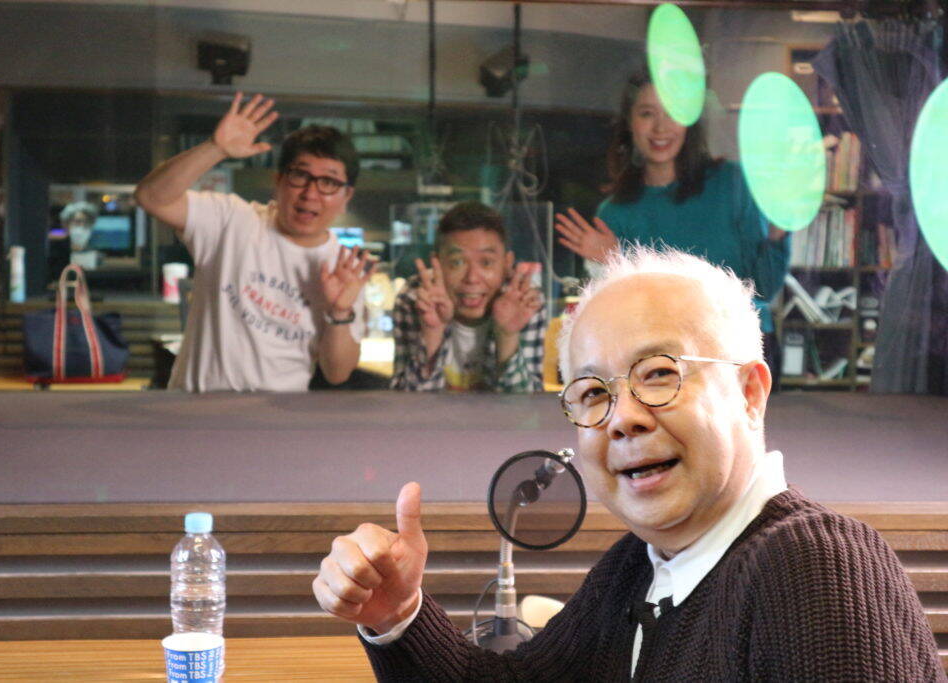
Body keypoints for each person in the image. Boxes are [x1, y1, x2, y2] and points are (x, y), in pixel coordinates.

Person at [312, 246, 944, 681]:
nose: (623, 418)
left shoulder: (815, 566)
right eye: (593, 393)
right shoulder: (638, 568)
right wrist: (397, 616)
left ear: (750, 392)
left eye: (660, 374)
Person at [554, 70, 790, 375]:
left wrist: (778, 234)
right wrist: (612, 261)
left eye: (672, 112)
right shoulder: (614, 213)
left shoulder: (731, 183)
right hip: (659, 361)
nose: (660, 127)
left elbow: (764, 289)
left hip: (740, 352)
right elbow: (621, 320)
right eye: (647, 113)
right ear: (630, 124)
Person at [135, 93, 371, 392]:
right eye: (300, 175)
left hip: (276, 416)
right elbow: (151, 197)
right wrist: (215, 148)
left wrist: (339, 312)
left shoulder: (345, 269)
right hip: (195, 410)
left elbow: (337, 373)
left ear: (346, 196)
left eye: (329, 182)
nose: (311, 193)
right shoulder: (231, 221)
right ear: (278, 181)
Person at [390, 201, 546, 392]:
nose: (472, 278)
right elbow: (406, 404)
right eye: (457, 262)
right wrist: (432, 333)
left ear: (507, 264)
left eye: (486, 262)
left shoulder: (523, 301)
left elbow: (526, 406)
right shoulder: (416, 298)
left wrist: (507, 336)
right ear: (437, 263)